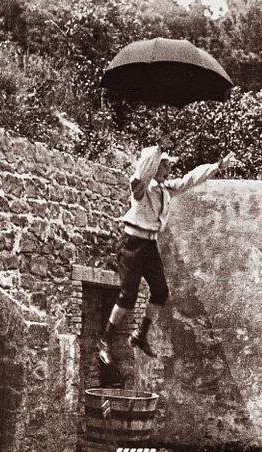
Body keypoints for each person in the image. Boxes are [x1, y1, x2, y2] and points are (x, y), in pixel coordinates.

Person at [98, 137, 235, 365]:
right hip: (132, 243)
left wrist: (217, 166)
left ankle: (141, 335)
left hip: (149, 245)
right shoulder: (141, 187)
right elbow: (141, 172)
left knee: (161, 292)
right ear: (154, 166)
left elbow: (191, 179)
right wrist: (158, 150)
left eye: (169, 164)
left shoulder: (166, 189)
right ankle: (105, 339)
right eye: (164, 164)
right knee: (128, 296)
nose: (169, 168)